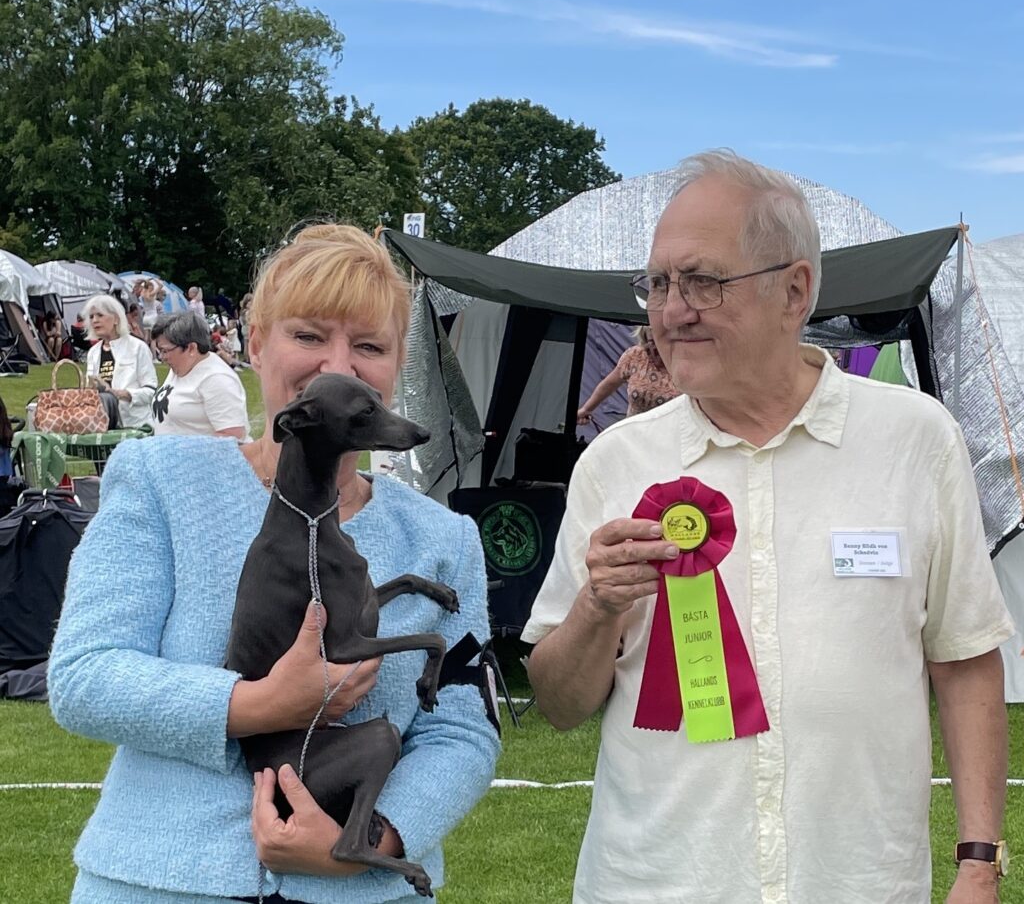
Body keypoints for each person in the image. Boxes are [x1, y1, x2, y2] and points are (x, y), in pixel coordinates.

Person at [523, 150, 1013, 904]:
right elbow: (559, 704)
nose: (672, 310)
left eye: (703, 281)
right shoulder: (615, 463)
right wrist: (597, 605)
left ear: (795, 291)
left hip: (860, 885)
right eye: (658, 283)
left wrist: (979, 863)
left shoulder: (916, 439)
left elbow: (965, 658)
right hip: (655, 885)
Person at [49, 223, 500, 904]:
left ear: (396, 365)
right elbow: (85, 676)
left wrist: (373, 844)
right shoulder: (158, 479)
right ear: (254, 344)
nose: (338, 366)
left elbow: (463, 731)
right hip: (157, 884)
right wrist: (261, 703)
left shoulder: (445, 538)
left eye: (369, 346)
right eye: (309, 335)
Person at [150, 311, 249, 440]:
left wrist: (180, 449)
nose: (161, 357)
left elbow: (232, 437)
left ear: (191, 348)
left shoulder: (217, 379)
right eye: (160, 350)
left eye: (165, 351)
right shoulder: (181, 366)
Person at [576, 325, 680, 425]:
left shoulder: (682, 361)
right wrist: (586, 409)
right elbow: (609, 384)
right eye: (651, 342)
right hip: (633, 430)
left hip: (670, 431)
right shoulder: (635, 355)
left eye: (659, 342)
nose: (654, 347)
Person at [83, 294, 158, 429]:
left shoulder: (138, 347)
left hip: (135, 425)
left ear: (116, 319)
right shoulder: (93, 353)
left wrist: (122, 394)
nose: (95, 320)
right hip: (102, 425)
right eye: (91, 317)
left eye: (100, 315)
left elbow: (151, 391)